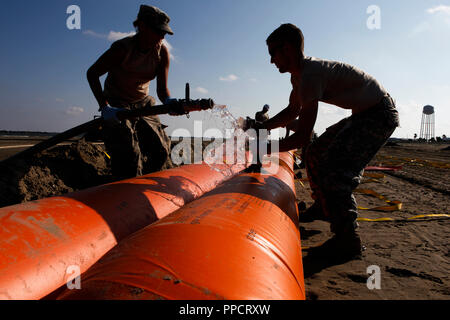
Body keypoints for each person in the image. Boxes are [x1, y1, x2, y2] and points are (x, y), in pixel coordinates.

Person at [254, 23, 399, 260]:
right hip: (364, 113)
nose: (271, 61)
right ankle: (323, 206)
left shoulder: (310, 75)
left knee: (335, 169)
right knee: (315, 152)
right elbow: (292, 111)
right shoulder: (298, 77)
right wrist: (261, 127)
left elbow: (302, 135)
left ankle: (347, 240)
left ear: (288, 49)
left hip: (379, 115)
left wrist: (264, 148)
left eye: (273, 53)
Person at [87, 4, 175, 179]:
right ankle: (124, 191)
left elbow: (162, 90)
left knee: (161, 151)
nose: (162, 36)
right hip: (117, 102)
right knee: (130, 157)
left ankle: (146, 188)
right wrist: (105, 108)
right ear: (141, 26)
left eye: (164, 33)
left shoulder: (161, 52)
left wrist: (169, 102)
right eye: (158, 31)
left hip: (143, 102)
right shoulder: (122, 49)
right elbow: (92, 73)